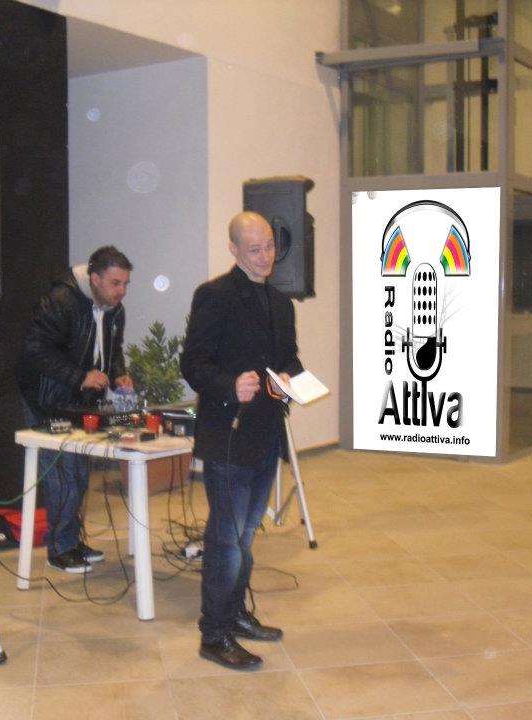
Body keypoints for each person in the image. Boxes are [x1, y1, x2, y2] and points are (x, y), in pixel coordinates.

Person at [180, 211, 303, 670]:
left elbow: (290, 359)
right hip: (227, 435)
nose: (266, 256)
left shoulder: (281, 303)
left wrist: (290, 378)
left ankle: (234, 614)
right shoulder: (214, 296)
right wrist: (230, 385)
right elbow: (193, 364)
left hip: (266, 433)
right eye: (255, 249)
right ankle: (214, 634)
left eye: (270, 246)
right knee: (227, 540)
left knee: (246, 534)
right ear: (234, 249)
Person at [17, 246, 134, 573]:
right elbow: (35, 350)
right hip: (47, 399)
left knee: (79, 475)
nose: (122, 291)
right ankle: (59, 550)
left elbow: (113, 351)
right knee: (63, 476)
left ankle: (71, 541)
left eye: (125, 283)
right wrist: (80, 376)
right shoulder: (60, 300)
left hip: (79, 402)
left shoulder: (114, 310)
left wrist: (119, 374)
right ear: (94, 279)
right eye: (115, 283)